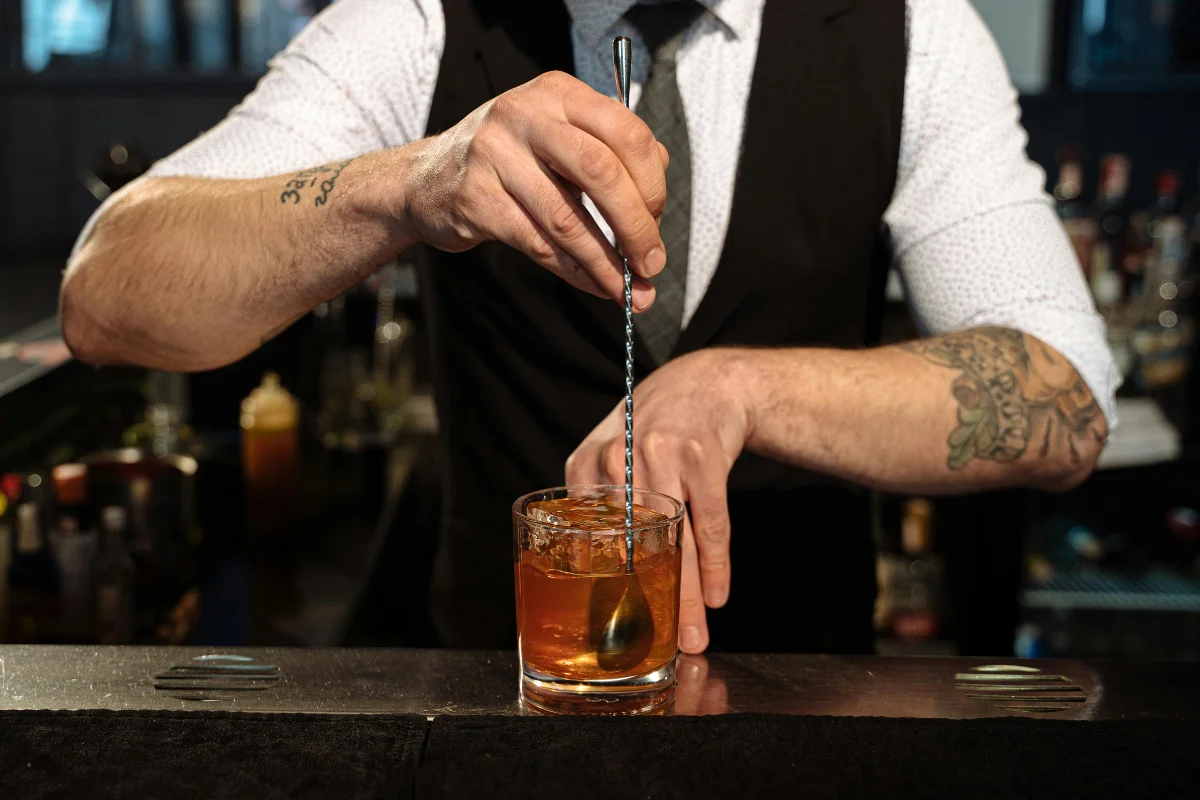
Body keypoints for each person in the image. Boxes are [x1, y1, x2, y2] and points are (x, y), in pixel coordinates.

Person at [61, 0, 1118, 655]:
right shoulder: (419, 22)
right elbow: (107, 296)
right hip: (501, 709)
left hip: (802, 713)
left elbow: (1066, 394)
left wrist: (744, 391)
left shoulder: (910, 32)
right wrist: (409, 183)